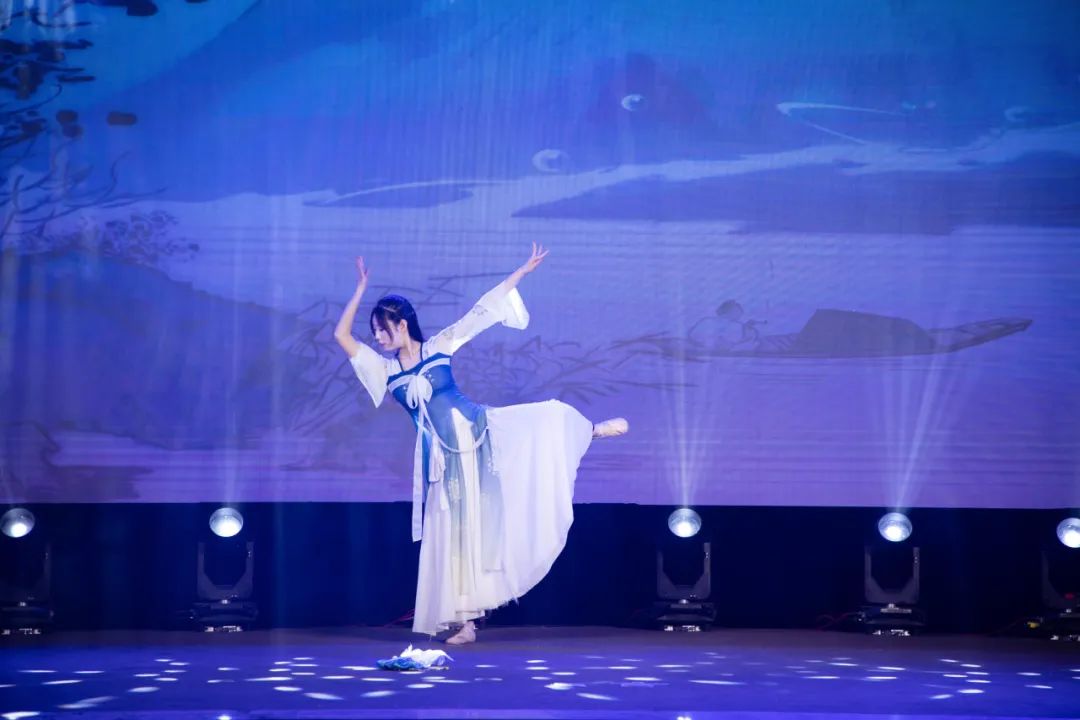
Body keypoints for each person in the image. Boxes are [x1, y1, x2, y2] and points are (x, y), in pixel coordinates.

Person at [333, 244, 628, 644]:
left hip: (478, 435)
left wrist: (520, 273)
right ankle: (466, 622)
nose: (378, 338)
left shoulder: (439, 347)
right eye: (375, 332)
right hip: (441, 459)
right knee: (453, 535)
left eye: (382, 330)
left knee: (544, 419)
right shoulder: (385, 371)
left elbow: (480, 313)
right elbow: (341, 335)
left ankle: (587, 430)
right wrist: (359, 290)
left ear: (402, 325)